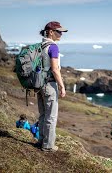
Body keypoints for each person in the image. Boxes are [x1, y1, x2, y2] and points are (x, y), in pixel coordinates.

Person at [37, 21, 67, 152]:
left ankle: (41, 140)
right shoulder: (53, 47)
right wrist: (61, 86)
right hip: (50, 84)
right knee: (51, 116)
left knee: (43, 115)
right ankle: (48, 146)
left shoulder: (40, 45)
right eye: (59, 31)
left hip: (39, 84)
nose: (61, 34)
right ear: (50, 32)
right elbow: (55, 69)